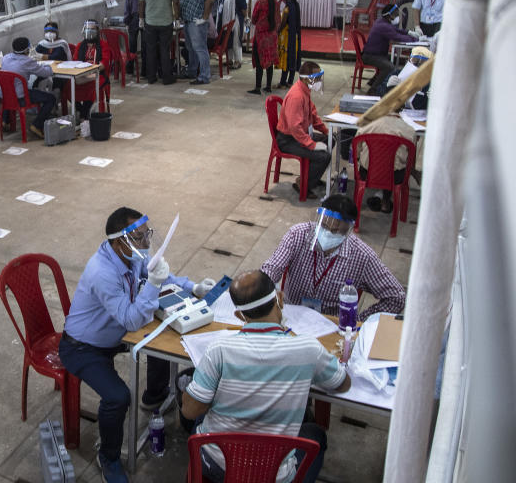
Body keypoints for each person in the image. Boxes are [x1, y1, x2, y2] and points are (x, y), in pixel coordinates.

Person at [59, 207, 216, 483]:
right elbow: (131, 320)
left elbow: (159, 274)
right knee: (118, 397)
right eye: (140, 237)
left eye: (147, 235)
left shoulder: (130, 255)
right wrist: (153, 285)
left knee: (163, 341)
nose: (146, 243)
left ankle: (155, 396)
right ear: (120, 241)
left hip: (114, 335)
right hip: (83, 346)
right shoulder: (102, 272)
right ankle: (108, 456)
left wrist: (193, 287)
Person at [181, 270, 350, 483]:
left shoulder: (219, 349)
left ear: (239, 316)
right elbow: (342, 384)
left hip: (219, 468)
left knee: (199, 418)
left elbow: (189, 411)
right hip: (275, 477)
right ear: (279, 298)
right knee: (315, 434)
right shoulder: (308, 349)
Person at [262, 194, 407, 320]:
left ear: (347, 231)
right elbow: (271, 270)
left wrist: (359, 321)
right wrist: (261, 289)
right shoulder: (298, 235)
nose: (328, 232)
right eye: (323, 226)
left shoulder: (362, 256)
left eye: (336, 230)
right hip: (292, 315)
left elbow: (397, 297)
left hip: (331, 323)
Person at [275, 61, 330, 198]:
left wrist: (325, 131)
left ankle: (311, 177)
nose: (318, 80)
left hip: (300, 134)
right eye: (316, 77)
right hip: (288, 140)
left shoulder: (305, 90)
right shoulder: (297, 96)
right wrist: (312, 145)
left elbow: (313, 115)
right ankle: (303, 184)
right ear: (306, 78)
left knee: (330, 140)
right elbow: (295, 128)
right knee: (324, 156)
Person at [355, 113, 416, 214]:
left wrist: (360, 158)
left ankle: (359, 202)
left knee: (369, 162)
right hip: (395, 177)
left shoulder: (367, 126)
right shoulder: (409, 130)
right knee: (396, 166)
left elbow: (356, 150)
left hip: (367, 174)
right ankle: (386, 202)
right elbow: (410, 157)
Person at [0, 37, 56, 139]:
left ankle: (4, 121)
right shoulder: (27, 61)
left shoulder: (6, 58)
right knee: (51, 98)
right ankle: (36, 125)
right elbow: (46, 72)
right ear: (26, 50)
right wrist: (48, 66)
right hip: (21, 99)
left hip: (5, 97)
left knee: (12, 90)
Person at [361, 4, 417, 96]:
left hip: (375, 54)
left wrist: (409, 32)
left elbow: (396, 31)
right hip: (371, 56)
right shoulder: (384, 26)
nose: (397, 17)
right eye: (395, 15)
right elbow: (397, 36)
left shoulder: (382, 22)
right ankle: (373, 90)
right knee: (389, 67)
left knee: (389, 63)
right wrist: (417, 40)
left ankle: (373, 81)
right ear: (389, 15)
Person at [137, 0, 180, 85]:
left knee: (150, 50)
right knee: (164, 50)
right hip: (166, 22)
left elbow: (141, 3)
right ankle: (166, 77)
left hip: (150, 22)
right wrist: (177, 19)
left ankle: (151, 77)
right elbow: (175, 2)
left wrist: (141, 19)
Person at [71, 20, 114, 121]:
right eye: (87, 29)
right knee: (69, 86)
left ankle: (84, 114)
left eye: (92, 29)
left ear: (97, 31)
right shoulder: (80, 45)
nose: (89, 31)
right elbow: (75, 62)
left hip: (98, 74)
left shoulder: (103, 45)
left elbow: (104, 64)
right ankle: (81, 110)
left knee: (91, 86)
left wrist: (92, 70)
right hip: (82, 74)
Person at [180, 0, 215, 84]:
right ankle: (192, 71)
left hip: (196, 22)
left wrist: (204, 18)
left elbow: (209, 0)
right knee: (192, 49)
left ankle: (204, 76)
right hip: (189, 21)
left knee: (200, 49)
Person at [247, 0, 280, 94]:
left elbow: (254, 19)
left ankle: (257, 88)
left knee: (259, 61)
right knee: (269, 61)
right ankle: (268, 86)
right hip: (272, 36)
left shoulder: (260, 3)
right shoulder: (275, 2)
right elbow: (277, 19)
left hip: (261, 37)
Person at [215, 0, 246, 69]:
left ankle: (238, 61)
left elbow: (243, 7)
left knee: (235, 40)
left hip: (235, 19)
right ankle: (229, 60)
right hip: (225, 19)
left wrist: (246, 18)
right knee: (228, 39)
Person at [277, 0, 303, 88]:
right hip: (295, 37)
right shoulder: (296, 5)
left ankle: (283, 82)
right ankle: (290, 81)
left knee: (286, 59)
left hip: (287, 38)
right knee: (293, 57)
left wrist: (277, 32)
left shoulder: (287, 9)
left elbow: (283, 24)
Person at [123, 0, 144, 66]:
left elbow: (127, 9)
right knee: (145, 44)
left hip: (133, 18)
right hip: (145, 16)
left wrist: (126, 22)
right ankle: (145, 68)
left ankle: (130, 67)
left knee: (132, 44)